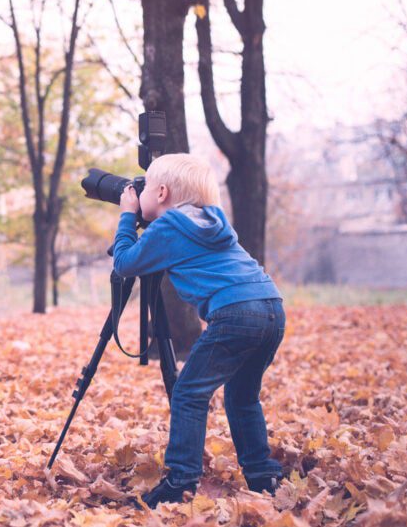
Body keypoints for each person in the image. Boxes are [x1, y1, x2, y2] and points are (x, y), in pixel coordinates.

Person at [113, 153, 284, 508]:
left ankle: (181, 480)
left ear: (160, 193)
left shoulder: (169, 227)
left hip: (235, 313)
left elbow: (125, 263)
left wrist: (128, 215)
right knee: (242, 396)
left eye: (143, 189)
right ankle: (263, 474)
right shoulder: (214, 221)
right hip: (271, 306)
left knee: (189, 393)